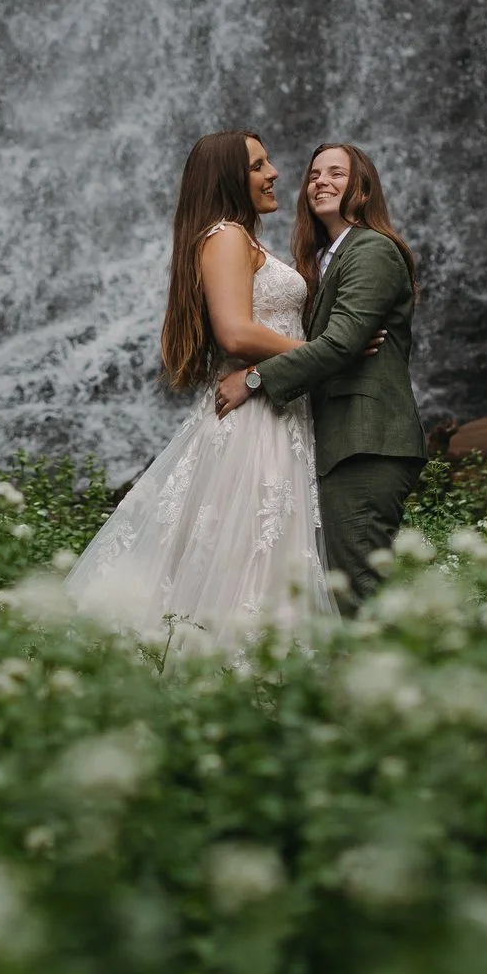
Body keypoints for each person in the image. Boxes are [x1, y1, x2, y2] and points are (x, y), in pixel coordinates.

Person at [63, 131, 339, 647]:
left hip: (273, 407)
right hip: (257, 419)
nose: (275, 172)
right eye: (259, 165)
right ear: (230, 177)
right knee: (248, 549)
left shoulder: (240, 238)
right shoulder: (227, 235)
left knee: (253, 548)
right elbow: (234, 332)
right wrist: (330, 351)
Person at [213, 142, 422, 615]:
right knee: (342, 584)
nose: (320, 182)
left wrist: (253, 379)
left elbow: (343, 344)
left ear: (363, 189)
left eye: (337, 174)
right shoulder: (326, 258)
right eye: (313, 175)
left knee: (359, 586)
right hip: (335, 441)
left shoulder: (372, 249)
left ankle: (395, 683)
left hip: (367, 439)